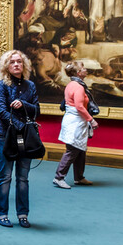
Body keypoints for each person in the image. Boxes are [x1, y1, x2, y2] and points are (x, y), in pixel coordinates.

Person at [0, 49, 38, 228]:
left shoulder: (30, 85)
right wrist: (19, 126)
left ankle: (23, 214)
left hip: (26, 138)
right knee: (5, 176)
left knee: (23, 178)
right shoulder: (1, 85)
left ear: (24, 64)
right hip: (7, 136)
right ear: (7, 66)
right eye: (12, 62)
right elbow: (1, 111)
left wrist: (24, 104)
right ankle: (2, 214)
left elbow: (37, 110)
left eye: (19, 61)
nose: (16, 64)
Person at [53, 61, 97, 189]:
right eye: (83, 68)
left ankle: (79, 177)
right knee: (72, 150)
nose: (85, 69)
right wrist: (91, 120)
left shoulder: (72, 84)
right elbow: (79, 106)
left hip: (74, 120)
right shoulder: (78, 87)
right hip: (75, 122)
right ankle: (59, 177)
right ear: (78, 73)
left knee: (80, 150)